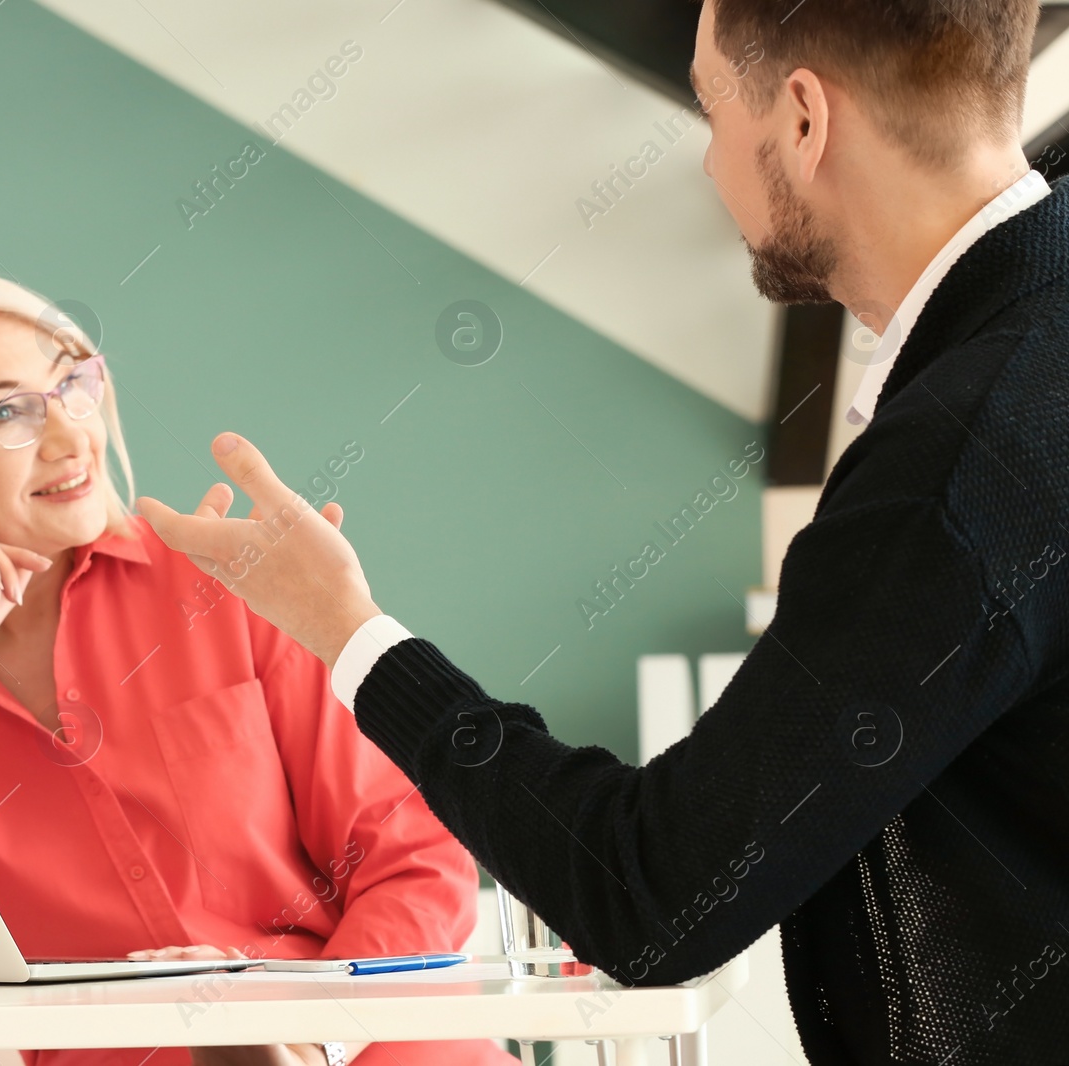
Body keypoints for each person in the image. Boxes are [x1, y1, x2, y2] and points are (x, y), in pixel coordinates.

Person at [136, 1, 1069, 1062]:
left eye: (712, 109)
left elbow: (654, 893)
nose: (710, 160)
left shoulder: (951, 475)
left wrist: (346, 628)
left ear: (803, 121)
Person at [0, 269, 516, 1066]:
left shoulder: (230, 584)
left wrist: (311, 1035)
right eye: (6, 411)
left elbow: (412, 857)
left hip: (342, 1037)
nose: (71, 434)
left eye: (72, 383)